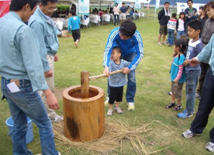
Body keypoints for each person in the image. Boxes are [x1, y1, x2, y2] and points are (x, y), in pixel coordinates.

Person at [0, 0, 61, 155]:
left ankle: (20, 153)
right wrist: (48, 93)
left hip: (7, 84)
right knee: (45, 123)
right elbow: (34, 67)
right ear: (26, 6)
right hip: (22, 86)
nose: (33, 14)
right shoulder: (23, 30)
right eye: (34, 10)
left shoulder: (2, 22)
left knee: (19, 124)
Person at [28, 0, 63, 122]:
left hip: (48, 55)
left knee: (47, 88)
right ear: (40, 5)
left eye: (54, 8)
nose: (52, 11)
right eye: (50, 8)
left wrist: (54, 53)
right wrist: (45, 66)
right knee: (47, 89)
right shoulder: (37, 22)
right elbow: (39, 47)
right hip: (43, 58)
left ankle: (47, 115)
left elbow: (48, 39)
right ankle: (48, 116)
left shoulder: (45, 17)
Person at [182, 33, 214, 152]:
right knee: (204, 104)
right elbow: (208, 49)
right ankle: (196, 129)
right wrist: (197, 59)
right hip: (212, 74)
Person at [103, 20, 144, 110]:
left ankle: (130, 100)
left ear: (130, 36)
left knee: (131, 76)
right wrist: (106, 66)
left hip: (131, 53)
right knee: (111, 73)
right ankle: (111, 97)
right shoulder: (115, 33)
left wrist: (130, 67)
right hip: (117, 52)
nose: (121, 36)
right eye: (120, 34)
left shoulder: (136, 36)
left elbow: (140, 53)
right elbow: (108, 50)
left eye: (124, 36)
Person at [177, 20, 203, 118]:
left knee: (190, 92)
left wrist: (189, 61)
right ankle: (188, 109)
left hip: (193, 71)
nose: (188, 33)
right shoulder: (191, 41)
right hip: (188, 70)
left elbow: (200, 58)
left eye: (191, 31)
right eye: (188, 30)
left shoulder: (199, 44)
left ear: (198, 31)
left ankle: (189, 111)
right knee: (188, 90)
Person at [196, 2, 214, 99]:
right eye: (206, 11)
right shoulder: (207, 21)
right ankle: (200, 91)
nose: (207, 12)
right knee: (202, 71)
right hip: (204, 47)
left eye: (209, 10)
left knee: (209, 72)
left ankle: (207, 93)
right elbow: (203, 34)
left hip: (212, 50)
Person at [107, 47, 130, 116]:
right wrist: (108, 72)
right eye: (111, 53)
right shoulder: (111, 63)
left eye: (113, 53)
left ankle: (117, 107)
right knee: (112, 97)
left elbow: (130, 65)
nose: (112, 55)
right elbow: (108, 69)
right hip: (113, 85)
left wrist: (127, 68)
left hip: (121, 84)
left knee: (119, 97)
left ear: (119, 54)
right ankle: (110, 108)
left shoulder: (123, 62)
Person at [165, 38, 186, 111]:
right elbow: (173, 64)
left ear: (177, 47)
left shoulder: (181, 57)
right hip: (173, 77)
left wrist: (177, 78)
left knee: (178, 92)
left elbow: (180, 70)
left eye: (174, 45)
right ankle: (172, 102)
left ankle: (179, 104)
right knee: (173, 90)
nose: (173, 47)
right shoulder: (176, 55)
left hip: (178, 80)